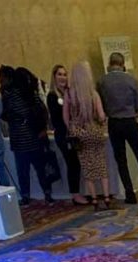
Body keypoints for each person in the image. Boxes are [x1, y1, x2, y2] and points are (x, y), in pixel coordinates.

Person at [97, 52, 138, 204]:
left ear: (109, 64)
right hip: (130, 121)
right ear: (122, 63)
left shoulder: (102, 81)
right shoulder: (130, 79)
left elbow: (101, 102)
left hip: (114, 122)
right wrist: (135, 110)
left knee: (121, 159)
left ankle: (129, 193)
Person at [1, 66, 53, 205]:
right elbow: (43, 111)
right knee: (41, 169)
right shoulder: (32, 94)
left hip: (19, 139)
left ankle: (25, 196)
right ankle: (47, 194)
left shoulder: (10, 96)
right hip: (35, 137)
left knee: (22, 171)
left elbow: (5, 114)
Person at [63, 61, 110, 207]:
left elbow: (65, 116)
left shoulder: (69, 94)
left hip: (80, 132)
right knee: (101, 164)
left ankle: (94, 198)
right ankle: (107, 197)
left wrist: (72, 128)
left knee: (87, 166)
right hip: (94, 130)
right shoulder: (93, 93)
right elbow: (101, 115)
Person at [47, 65, 89, 205]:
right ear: (54, 77)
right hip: (64, 135)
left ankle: (83, 191)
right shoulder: (53, 96)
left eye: (65, 74)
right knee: (72, 163)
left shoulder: (70, 93)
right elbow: (57, 117)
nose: (63, 77)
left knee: (78, 162)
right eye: (59, 74)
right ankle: (75, 194)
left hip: (74, 132)